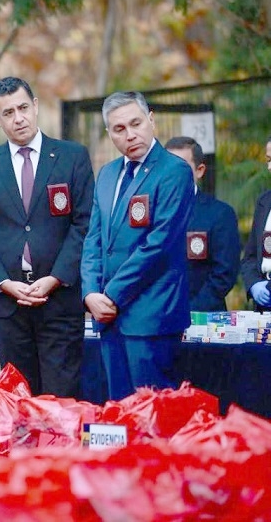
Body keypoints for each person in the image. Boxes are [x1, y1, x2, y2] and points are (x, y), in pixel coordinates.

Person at [0, 76, 94, 397]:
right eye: (8, 113)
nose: (18, 118)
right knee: (19, 397)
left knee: (60, 397)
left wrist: (56, 278)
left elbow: (84, 224)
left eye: (23, 107)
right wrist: (4, 284)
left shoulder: (71, 157)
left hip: (59, 300)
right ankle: (24, 450)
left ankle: (57, 450)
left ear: (35, 106)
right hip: (8, 305)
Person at [81, 91, 195, 401]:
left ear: (151, 120)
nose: (130, 135)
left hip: (152, 315)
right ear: (110, 134)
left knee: (153, 417)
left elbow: (159, 244)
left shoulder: (174, 171)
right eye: (119, 129)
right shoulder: (107, 175)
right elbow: (93, 239)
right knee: (120, 413)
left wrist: (111, 295)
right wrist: (90, 293)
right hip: (109, 318)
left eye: (136, 123)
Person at [165, 136, 240, 312]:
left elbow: (224, 274)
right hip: (154, 320)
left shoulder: (219, 214)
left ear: (199, 170)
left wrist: (189, 311)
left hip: (201, 318)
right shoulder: (150, 212)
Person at [240, 135, 271, 311]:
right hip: (263, 304)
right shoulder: (264, 202)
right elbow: (250, 256)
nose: (270, 167)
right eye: (268, 160)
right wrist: (254, 285)